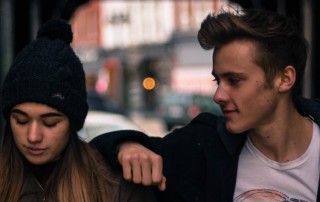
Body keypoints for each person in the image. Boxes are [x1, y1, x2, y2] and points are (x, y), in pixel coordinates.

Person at [91, 9, 320, 202]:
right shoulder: (204, 144)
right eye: (217, 80)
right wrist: (126, 145)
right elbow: (89, 156)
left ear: (284, 79)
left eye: (234, 81)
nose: (218, 95)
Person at [0, 19, 156, 202]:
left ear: (72, 122)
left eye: (50, 123)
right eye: (21, 120)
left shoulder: (116, 186)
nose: (33, 136)